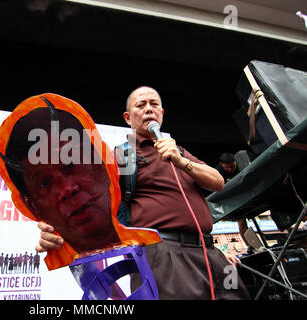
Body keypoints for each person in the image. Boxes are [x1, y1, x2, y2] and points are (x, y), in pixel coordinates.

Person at [36, 86, 250, 299]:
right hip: (165, 256)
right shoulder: (121, 156)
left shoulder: (179, 151)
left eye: (154, 104)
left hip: (211, 253)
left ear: (162, 114)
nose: (149, 109)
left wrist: (182, 161)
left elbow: (218, 182)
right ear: (128, 118)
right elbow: (87, 200)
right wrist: (58, 230)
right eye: (141, 105)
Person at [0, 93, 159, 270]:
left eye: (71, 164)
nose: (67, 189)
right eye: (44, 183)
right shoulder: (57, 255)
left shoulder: (146, 239)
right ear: (31, 206)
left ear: (102, 164)